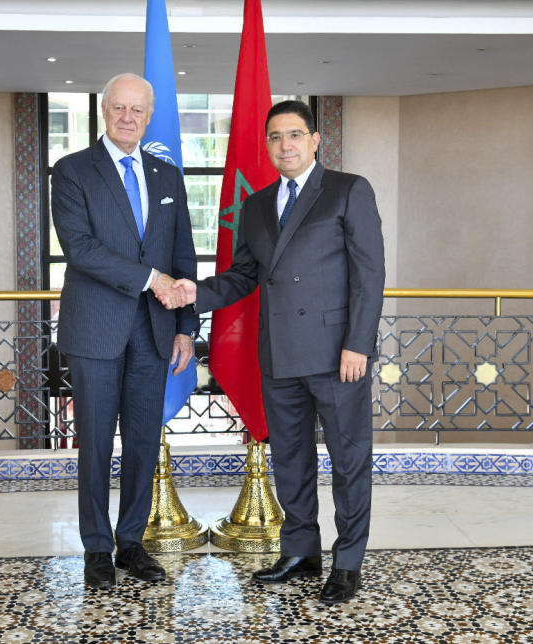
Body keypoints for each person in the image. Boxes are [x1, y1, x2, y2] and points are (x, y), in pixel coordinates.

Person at [166, 100, 385, 605]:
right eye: (275, 137)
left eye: (293, 135)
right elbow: (245, 276)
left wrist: (358, 344)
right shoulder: (257, 204)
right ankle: (301, 551)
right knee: (291, 459)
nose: (284, 145)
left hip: (337, 355)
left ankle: (347, 562)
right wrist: (194, 290)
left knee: (349, 461)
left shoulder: (348, 190)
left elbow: (370, 276)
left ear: (314, 140)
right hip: (280, 353)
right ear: (267, 145)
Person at [51, 72, 198, 589]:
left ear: (149, 116)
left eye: (138, 110)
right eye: (120, 108)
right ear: (105, 110)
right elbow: (82, 250)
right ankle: (96, 547)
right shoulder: (72, 172)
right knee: (93, 443)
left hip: (156, 332)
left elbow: (182, 256)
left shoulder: (166, 176)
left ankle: (131, 542)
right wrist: (151, 279)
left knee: (142, 441)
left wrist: (185, 327)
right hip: (96, 328)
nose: (128, 117)